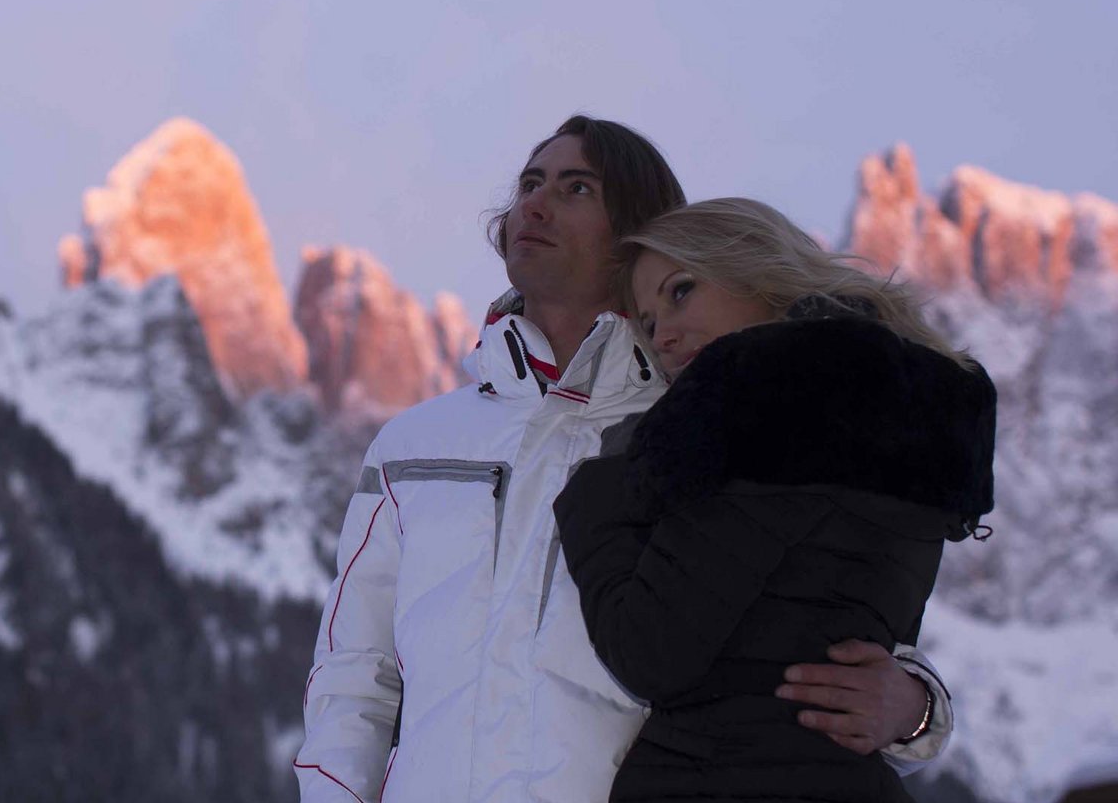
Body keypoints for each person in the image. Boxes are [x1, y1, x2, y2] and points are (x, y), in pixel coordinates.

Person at [295, 117, 955, 803]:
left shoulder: (713, 429)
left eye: (576, 187)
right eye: (529, 183)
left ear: (642, 232)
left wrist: (916, 708)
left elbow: (829, 612)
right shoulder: (414, 446)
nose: (535, 204)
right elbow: (354, 670)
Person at [552, 197, 994, 802]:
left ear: (758, 270)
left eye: (681, 292)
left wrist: (593, 491)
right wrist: (917, 707)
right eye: (649, 325)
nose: (665, 338)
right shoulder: (915, 414)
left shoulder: (760, 419)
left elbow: (649, 653)